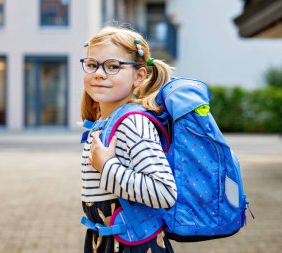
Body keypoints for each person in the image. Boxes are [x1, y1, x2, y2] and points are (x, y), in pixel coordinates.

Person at [80, 25, 177, 253]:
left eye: (113, 66)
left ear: (139, 75)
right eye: (92, 65)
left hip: (132, 245)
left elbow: (165, 192)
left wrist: (106, 166)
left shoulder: (133, 123)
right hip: (104, 240)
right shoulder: (103, 122)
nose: (99, 73)